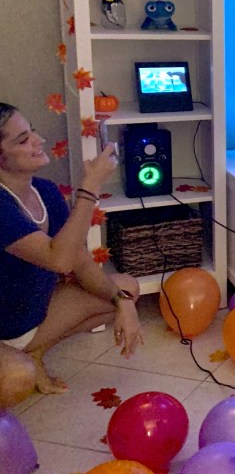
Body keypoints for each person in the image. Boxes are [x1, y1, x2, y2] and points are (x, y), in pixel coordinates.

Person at [0, 102, 142, 407]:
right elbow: (58, 260)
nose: (38, 141)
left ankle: (34, 351)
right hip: (4, 327)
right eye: (23, 140)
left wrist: (122, 302)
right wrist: (90, 187)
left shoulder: (46, 191)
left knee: (126, 288)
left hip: (31, 316)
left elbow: (79, 261)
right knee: (18, 378)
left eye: (32, 132)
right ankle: (20, 361)